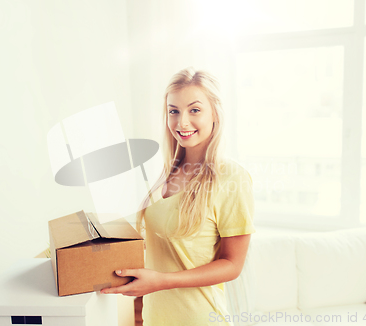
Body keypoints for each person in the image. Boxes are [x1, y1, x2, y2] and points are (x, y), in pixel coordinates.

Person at [101, 67, 256, 326]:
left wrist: (161, 281)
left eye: (194, 110)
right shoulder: (165, 171)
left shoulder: (232, 177)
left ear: (215, 113)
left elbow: (232, 265)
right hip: (156, 318)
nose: (182, 122)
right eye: (174, 111)